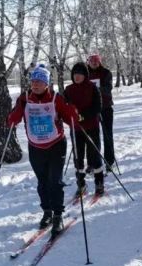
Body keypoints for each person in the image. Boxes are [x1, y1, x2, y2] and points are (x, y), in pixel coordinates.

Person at [8, 64, 77, 235]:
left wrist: (73, 115)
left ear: (46, 84)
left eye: (39, 82)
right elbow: (14, 117)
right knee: (43, 182)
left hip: (56, 145)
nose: (35, 85)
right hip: (35, 147)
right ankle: (47, 211)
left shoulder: (55, 98)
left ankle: (58, 215)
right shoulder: (25, 98)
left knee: (55, 181)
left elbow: (69, 116)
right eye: (33, 82)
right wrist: (12, 119)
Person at [63, 62, 103, 196]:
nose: (77, 76)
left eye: (80, 74)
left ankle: (99, 183)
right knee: (78, 157)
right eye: (75, 74)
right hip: (76, 129)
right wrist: (68, 115)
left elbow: (98, 106)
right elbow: (63, 107)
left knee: (94, 155)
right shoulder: (68, 90)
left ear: (85, 75)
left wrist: (83, 116)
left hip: (91, 127)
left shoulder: (92, 87)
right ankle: (81, 184)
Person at [87, 53, 115, 171]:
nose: (94, 63)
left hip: (105, 107)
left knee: (107, 135)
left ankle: (109, 161)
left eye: (96, 61)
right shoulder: (85, 73)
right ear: (88, 62)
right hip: (90, 109)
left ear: (99, 62)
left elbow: (108, 89)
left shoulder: (106, 73)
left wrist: (96, 89)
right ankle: (92, 163)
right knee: (91, 136)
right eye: (92, 61)